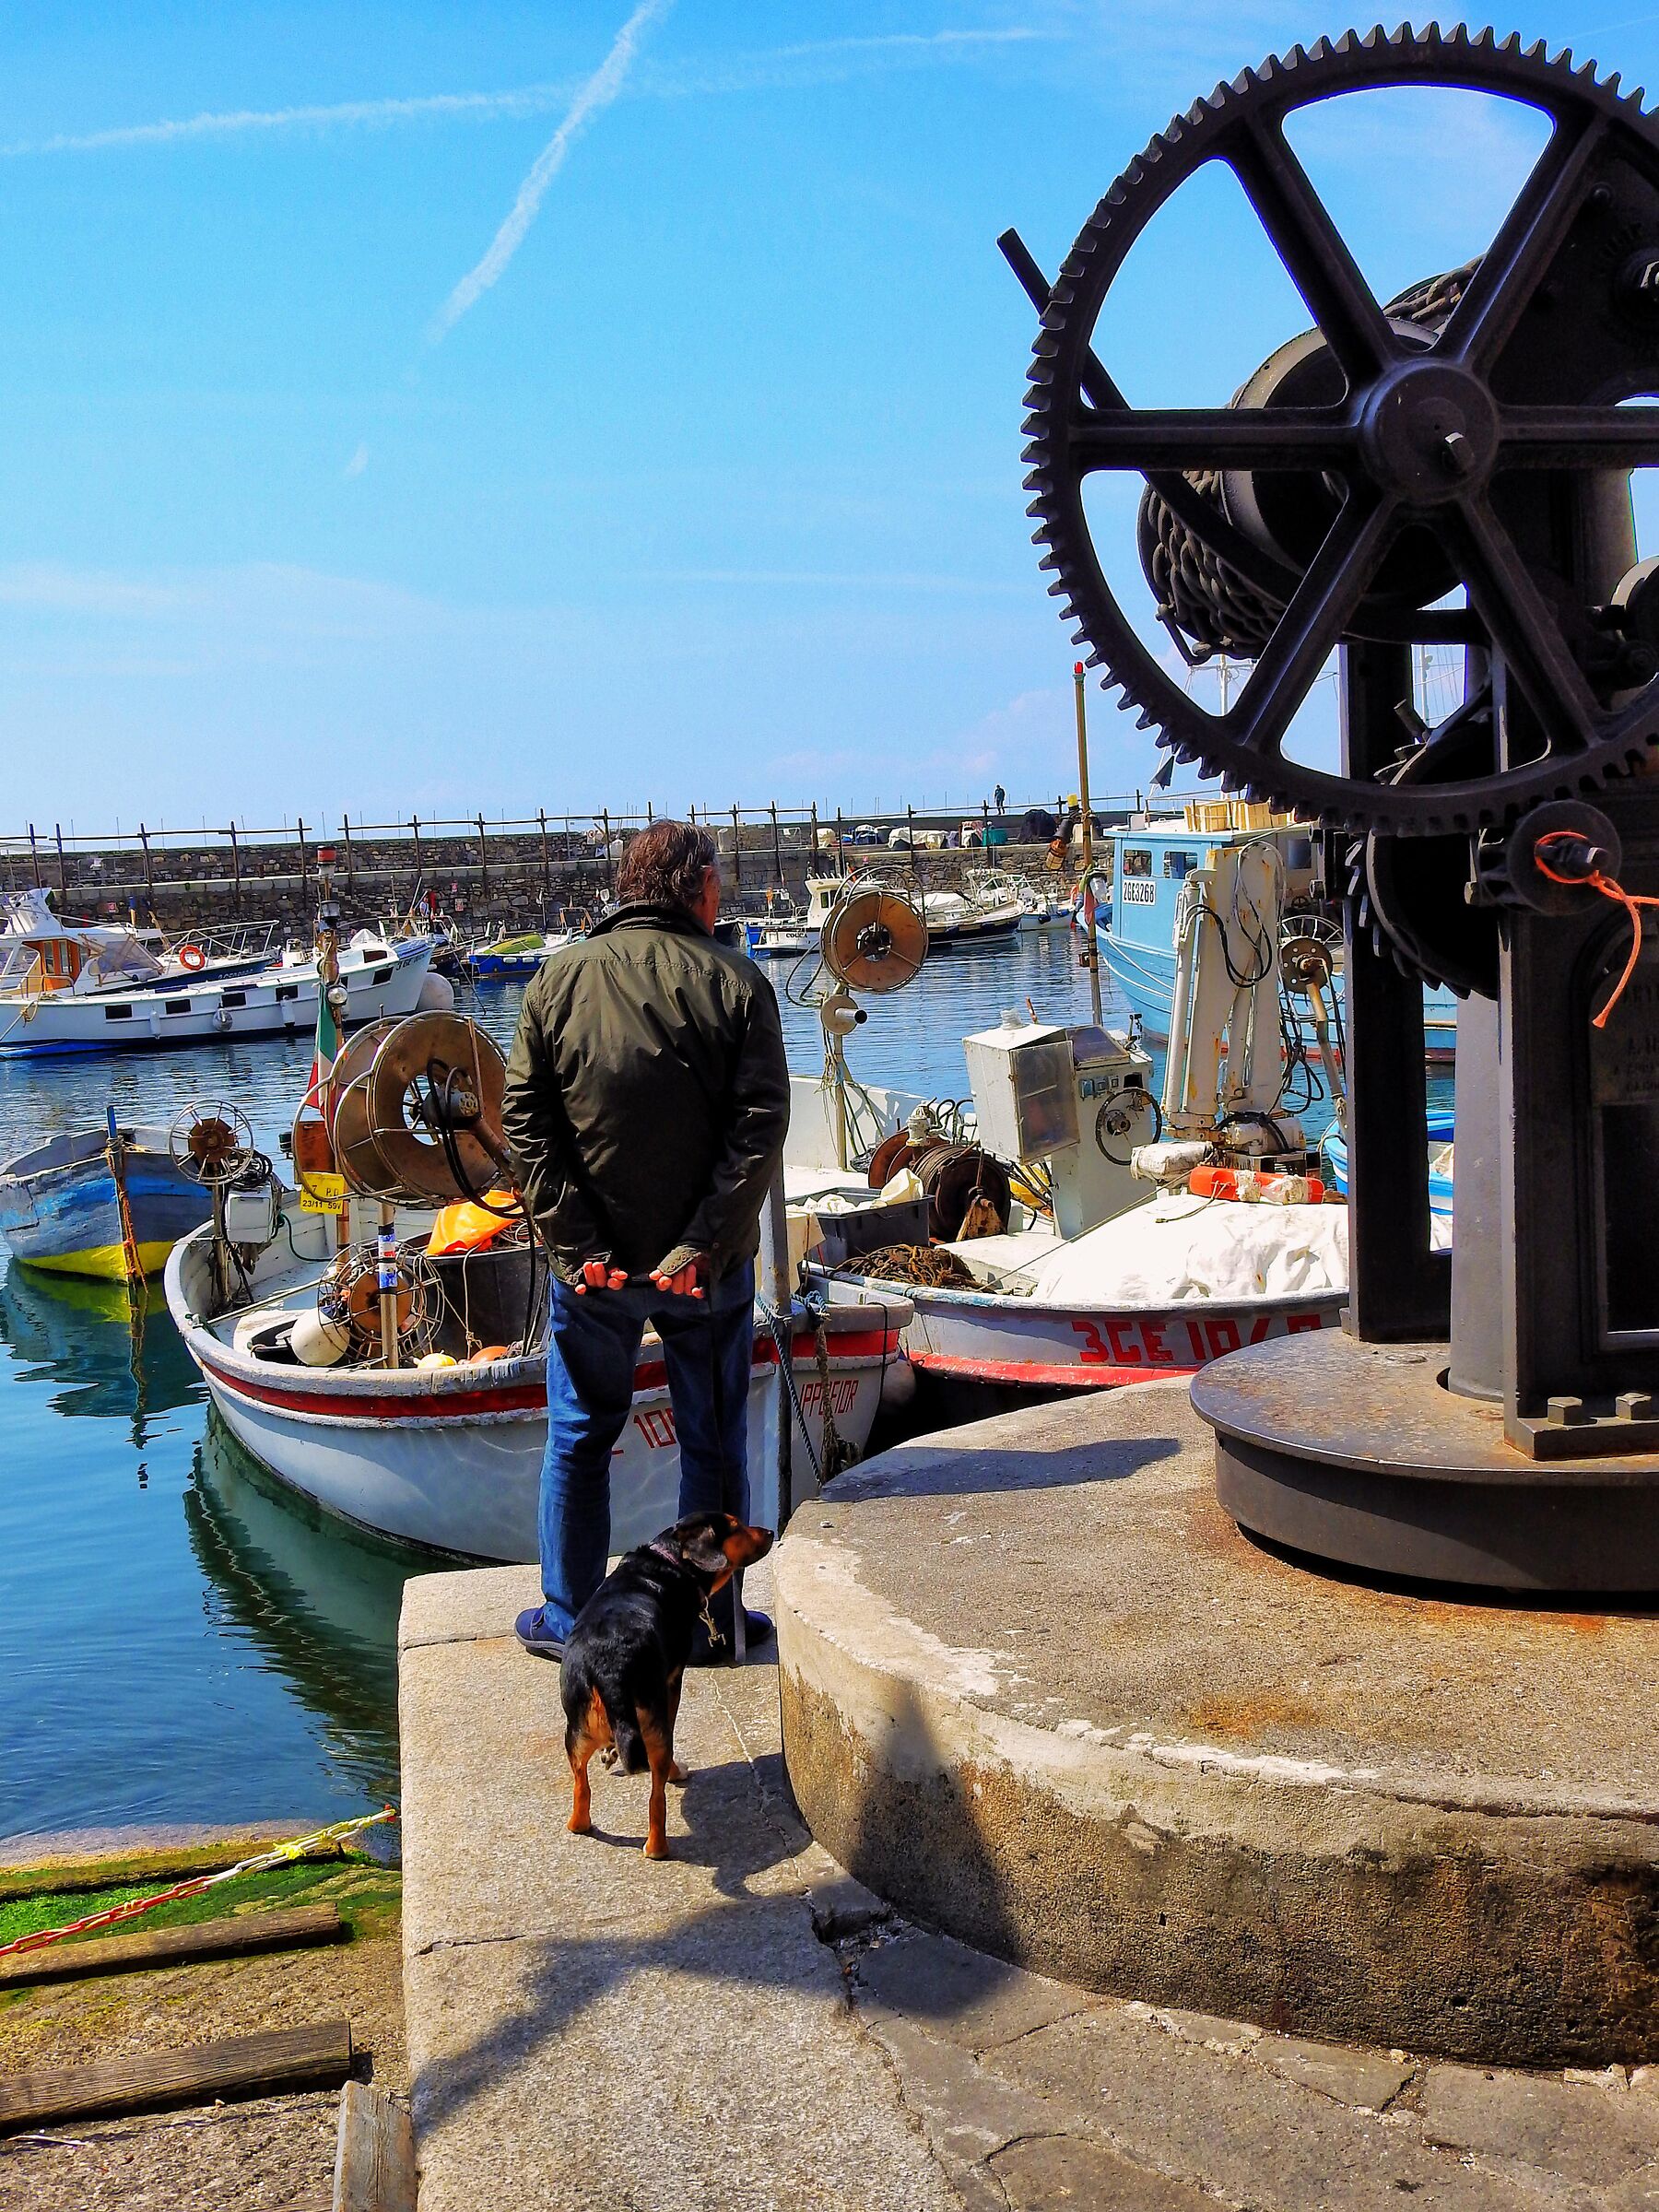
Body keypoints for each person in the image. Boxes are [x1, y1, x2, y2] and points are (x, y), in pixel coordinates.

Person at [500, 819, 790, 1665]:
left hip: (591, 1272)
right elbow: (760, 1128)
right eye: (719, 885)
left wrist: (576, 1242)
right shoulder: (737, 983)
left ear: (627, 888)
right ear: (696, 890)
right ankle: (710, 1624)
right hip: (707, 1272)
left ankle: (567, 1620)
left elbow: (528, 1123)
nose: (722, 898)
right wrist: (697, 1246)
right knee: (711, 1442)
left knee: (582, 1434)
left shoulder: (555, 982)